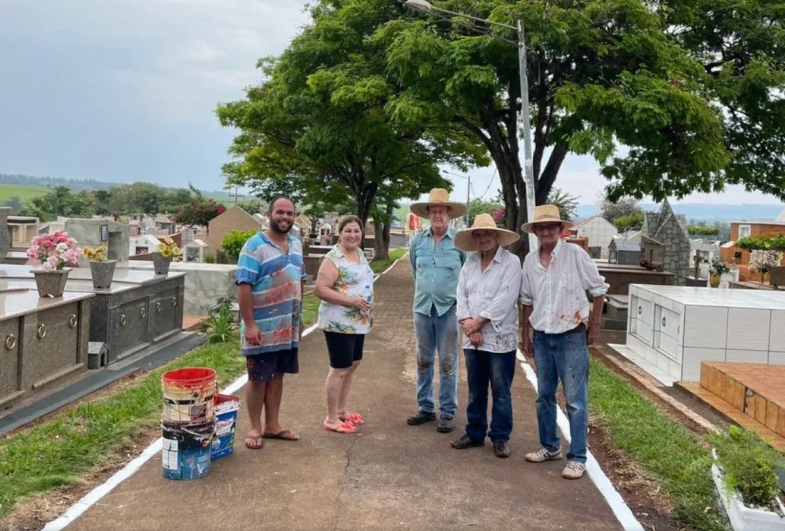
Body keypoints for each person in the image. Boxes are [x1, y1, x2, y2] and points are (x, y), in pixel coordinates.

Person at [519, 204, 609, 479]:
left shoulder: (575, 255)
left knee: (575, 400)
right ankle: (550, 446)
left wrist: (593, 326)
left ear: (560, 229)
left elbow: (599, 289)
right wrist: (526, 333)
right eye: (541, 227)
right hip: (543, 336)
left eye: (551, 227)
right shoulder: (530, 261)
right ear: (534, 231)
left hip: (571, 335)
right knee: (544, 394)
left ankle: (578, 457)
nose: (546, 231)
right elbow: (527, 300)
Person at [235, 196, 306, 450]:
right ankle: (255, 427)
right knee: (258, 377)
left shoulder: (296, 245)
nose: (285, 217)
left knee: (277, 376)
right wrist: (250, 324)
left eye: (289, 213)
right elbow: (244, 287)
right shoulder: (254, 246)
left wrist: (299, 318)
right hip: (261, 329)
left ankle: (272, 425)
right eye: (280, 212)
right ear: (269, 214)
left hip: (287, 328)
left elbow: (300, 280)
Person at [449, 214, 522, 458]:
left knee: (501, 390)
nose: (483, 238)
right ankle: (475, 432)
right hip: (473, 337)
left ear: (497, 236)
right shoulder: (470, 263)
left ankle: (500, 437)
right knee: (475, 388)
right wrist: (470, 325)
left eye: (487, 233)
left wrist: (478, 323)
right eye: (478, 234)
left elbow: (506, 298)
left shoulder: (511, 263)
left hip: (500, 337)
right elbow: (461, 295)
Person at [407, 188, 467, 433]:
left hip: (449, 311)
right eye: (434, 210)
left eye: (442, 210)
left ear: (449, 214)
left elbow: (466, 277)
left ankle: (448, 411)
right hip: (422, 309)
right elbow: (415, 272)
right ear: (428, 214)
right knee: (423, 360)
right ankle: (425, 407)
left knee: (448, 361)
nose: (438, 214)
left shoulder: (460, 243)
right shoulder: (417, 241)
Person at [314, 215, 374, 434]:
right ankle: (331, 418)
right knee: (339, 369)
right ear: (340, 233)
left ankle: (341, 410)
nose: (353, 235)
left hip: (359, 322)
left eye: (357, 231)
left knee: (352, 364)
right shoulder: (333, 258)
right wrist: (352, 301)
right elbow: (320, 289)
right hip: (339, 323)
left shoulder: (359, 254)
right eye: (348, 230)